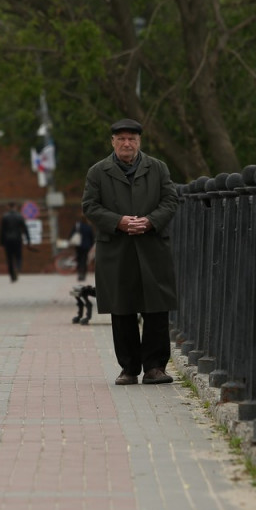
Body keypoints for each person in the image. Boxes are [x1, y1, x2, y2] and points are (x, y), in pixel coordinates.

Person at [82, 118, 179, 385]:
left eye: (132, 139)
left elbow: (170, 199)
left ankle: (155, 367)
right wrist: (119, 221)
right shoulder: (98, 171)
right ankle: (129, 368)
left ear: (139, 142)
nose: (127, 144)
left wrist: (150, 221)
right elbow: (90, 206)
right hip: (116, 248)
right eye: (122, 139)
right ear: (113, 142)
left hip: (152, 246)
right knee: (121, 308)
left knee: (157, 307)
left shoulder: (157, 168)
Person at [0, 202, 32, 282]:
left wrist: (1, 242)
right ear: (15, 207)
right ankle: (17, 268)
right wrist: (28, 240)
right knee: (18, 256)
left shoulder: (5, 217)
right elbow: (25, 229)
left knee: (9, 258)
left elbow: (2, 231)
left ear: (8, 207)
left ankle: (12, 275)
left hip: (7, 240)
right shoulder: (19, 216)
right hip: (17, 239)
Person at [69, 215, 95, 282]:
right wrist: (91, 245)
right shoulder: (89, 227)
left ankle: (79, 274)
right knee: (84, 260)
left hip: (78, 246)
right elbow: (92, 237)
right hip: (87, 246)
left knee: (79, 259)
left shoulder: (77, 226)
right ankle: (83, 275)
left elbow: (71, 234)